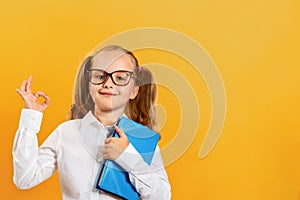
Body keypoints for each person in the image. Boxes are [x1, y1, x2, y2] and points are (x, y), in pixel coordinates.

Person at [13, 45, 171, 200]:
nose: (108, 83)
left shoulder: (142, 138)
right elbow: (25, 179)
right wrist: (31, 117)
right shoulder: (66, 133)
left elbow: (162, 197)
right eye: (100, 76)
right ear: (89, 84)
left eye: (120, 78)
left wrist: (127, 156)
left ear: (134, 91)